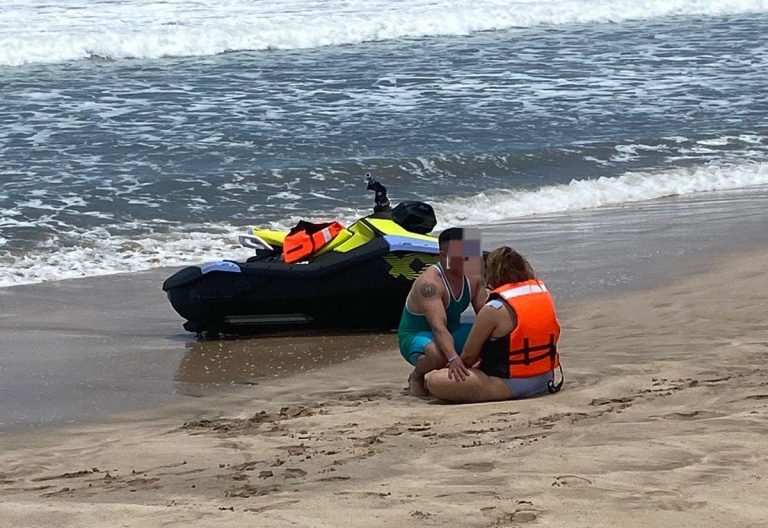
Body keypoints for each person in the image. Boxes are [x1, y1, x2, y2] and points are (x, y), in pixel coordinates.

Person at [425, 246, 563, 403]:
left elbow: (469, 356)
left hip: (510, 383)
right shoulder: (542, 295)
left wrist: (454, 367)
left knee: (434, 380)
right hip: (545, 376)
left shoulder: (493, 309)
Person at [398, 227, 487, 396]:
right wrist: (453, 359)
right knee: (439, 355)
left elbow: (485, 314)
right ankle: (416, 376)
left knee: (490, 334)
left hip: (452, 330)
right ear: (444, 256)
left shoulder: (474, 275)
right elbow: (438, 326)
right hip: (417, 335)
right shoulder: (429, 284)